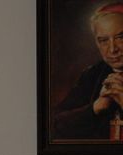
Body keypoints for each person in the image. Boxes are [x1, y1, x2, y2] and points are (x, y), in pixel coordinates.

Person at [53, 2, 123, 140]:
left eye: (121, 38)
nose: (112, 49)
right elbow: (54, 127)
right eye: (103, 40)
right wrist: (95, 108)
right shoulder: (92, 75)